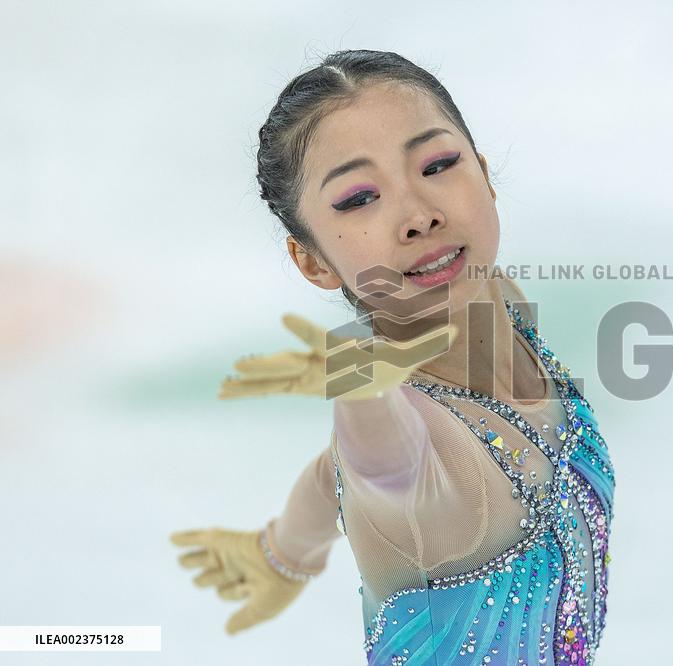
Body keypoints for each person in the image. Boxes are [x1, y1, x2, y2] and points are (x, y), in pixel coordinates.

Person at [170, 49, 616, 666]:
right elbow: (378, 457)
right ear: (313, 261)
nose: (419, 214)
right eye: (358, 198)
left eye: (437, 163)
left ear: (484, 175)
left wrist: (283, 553)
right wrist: (355, 375)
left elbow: (335, 474)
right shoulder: (412, 446)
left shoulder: (497, 299)